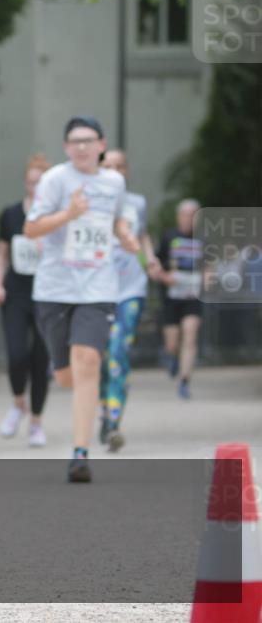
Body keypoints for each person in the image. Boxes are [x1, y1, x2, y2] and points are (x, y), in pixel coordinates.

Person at [24, 116, 139, 483]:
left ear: (102, 144)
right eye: (74, 141)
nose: (82, 147)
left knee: (88, 360)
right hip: (55, 288)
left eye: (88, 140)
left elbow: (117, 220)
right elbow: (31, 228)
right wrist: (68, 214)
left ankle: (80, 454)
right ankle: (74, 391)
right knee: (66, 376)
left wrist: (126, 237)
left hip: (98, 286)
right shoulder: (55, 179)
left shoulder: (114, 182)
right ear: (65, 147)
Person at [96, 149, 160, 451]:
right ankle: (103, 407)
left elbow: (143, 235)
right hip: (96, 292)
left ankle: (113, 421)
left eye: (120, 166)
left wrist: (150, 260)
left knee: (119, 353)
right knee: (99, 359)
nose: (115, 171)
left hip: (131, 289)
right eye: (108, 166)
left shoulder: (137, 203)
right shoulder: (88, 203)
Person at [0, 153, 51, 447]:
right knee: (16, 354)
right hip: (15, 292)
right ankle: (18, 403)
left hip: (46, 294)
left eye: (40, 184)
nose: (35, 188)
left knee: (40, 359)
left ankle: (37, 422)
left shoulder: (56, 216)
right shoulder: (11, 214)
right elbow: (2, 254)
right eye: (30, 183)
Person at [155, 198, 203, 400]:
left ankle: (184, 381)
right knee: (172, 343)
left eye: (194, 215)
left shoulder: (204, 238)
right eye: (186, 215)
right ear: (179, 217)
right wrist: (165, 277)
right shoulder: (169, 237)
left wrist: (209, 276)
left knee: (190, 335)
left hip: (194, 296)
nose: (189, 219)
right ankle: (172, 357)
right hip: (172, 297)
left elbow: (212, 264)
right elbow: (155, 262)